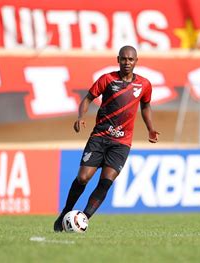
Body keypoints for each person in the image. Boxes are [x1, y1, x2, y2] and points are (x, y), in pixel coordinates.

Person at [54, 45, 160, 232]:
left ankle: (83, 219)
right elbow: (87, 99)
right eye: (124, 59)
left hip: (121, 143)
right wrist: (81, 117)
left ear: (136, 61)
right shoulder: (107, 79)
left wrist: (150, 128)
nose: (127, 63)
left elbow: (145, 106)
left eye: (131, 59)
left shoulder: (144, 84)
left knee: (106, 181)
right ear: (118, 59)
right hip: (99, 137)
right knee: (83, 178)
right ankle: (66, 212)